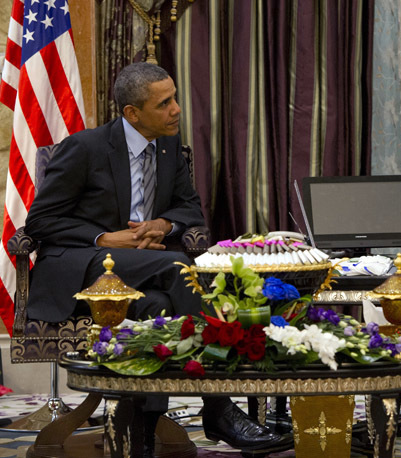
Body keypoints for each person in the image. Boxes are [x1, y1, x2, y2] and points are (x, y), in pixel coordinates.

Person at [24, 63, 281, 453]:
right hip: (82, 264)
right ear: (132, 113)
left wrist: (162, 224)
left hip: (142, 271)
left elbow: (190, 209)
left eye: (175, 97)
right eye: (165, 103)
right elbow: (39, 221)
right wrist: (105, 238)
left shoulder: (168, 146)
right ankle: (219, 405)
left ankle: (142, 430)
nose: (177, 109)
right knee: (178, 267)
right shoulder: (85, 148)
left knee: (160, 306)